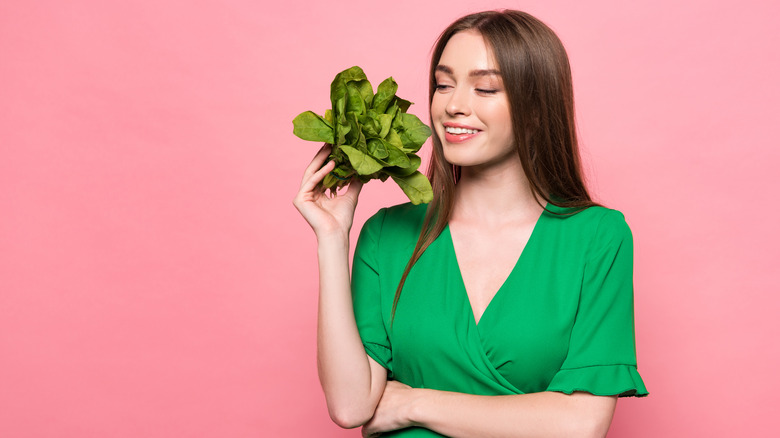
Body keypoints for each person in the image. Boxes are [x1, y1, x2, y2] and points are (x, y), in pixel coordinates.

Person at [293, 9, 648, 437]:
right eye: (443, 85)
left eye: (485, 88)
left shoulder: (597, 237)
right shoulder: (386, 235)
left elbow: (580, 425)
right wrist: (332, 239)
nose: (454, 106)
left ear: (536, 109)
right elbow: (351, 406)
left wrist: (412, 402)